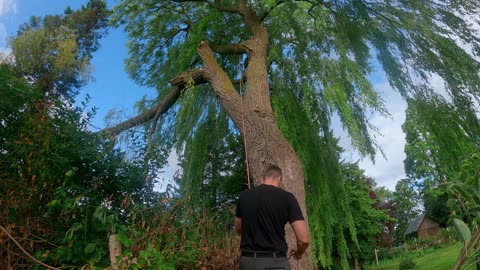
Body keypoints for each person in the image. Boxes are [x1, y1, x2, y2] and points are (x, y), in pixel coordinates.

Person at [235, 165, 310, 270]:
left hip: (247, 262)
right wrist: (299, 253)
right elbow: (304, 240)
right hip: (274, 263)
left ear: (263, 178)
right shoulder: (287, 198)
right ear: (280, 179)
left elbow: (239, 229)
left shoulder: (243, 196)